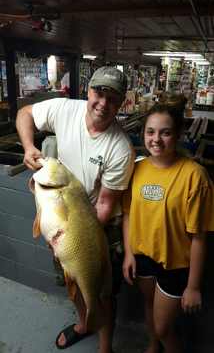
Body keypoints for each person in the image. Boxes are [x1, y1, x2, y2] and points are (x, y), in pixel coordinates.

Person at [16, 66, 135, 353]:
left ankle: (105, 347)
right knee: (71, 277)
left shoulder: (121, 148)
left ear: (122, 103)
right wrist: (28, 145)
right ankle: (84, 323)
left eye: (113, 98)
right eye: (98, 93)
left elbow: (106, 203)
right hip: (64, 208)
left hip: (97, 220)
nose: (103, 103)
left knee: (101, 288)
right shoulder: (65, 109)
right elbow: (26, 113)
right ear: (89, 91)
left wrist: (67, 236)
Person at [122, 93, 214, 353]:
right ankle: (153, 348)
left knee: (164, 327)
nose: (156, 140)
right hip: (142, 256)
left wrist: (194, 287)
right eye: (150, 132)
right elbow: (128, 212)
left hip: (176, 264)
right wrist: (129, 253)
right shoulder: (137, 169)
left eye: (165, 133)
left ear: (178, 134)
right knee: (150, 306)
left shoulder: (195, 177)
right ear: (143, 133)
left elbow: (200, 237)